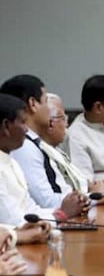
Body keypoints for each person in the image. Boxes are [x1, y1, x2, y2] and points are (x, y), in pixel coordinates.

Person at [1, 76, 88, 215]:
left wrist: (86, 198)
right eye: (46, 101)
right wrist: (62, 214)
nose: (25, 129)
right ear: (33, 104)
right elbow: (16, 218)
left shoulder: (23, 152)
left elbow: (30, 208)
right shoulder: (24, 149)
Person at [0, 93, 53, 244]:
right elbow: (12, 221)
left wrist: (59, 216)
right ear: (6, 126)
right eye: (23, 123)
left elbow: (30, 209)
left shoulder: (11, 161)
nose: (26, 130)